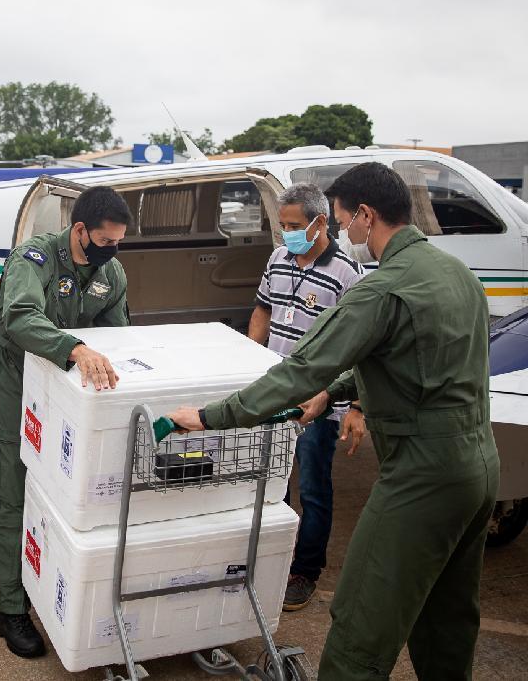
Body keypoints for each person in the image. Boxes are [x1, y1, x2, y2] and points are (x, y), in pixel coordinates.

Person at [166, 162, 498, 680]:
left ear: (366, 215)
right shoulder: (456, 274)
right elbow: (409, 363)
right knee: (447, 618)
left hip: (421, 475)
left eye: (344, 222)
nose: (346, 233)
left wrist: (214, 416)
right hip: (478, 470)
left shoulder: (379, 288)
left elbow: (303, 368)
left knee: (359, 627)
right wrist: (333, 394)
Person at [0, 186, 132, 658]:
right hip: (16, 383)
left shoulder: (112, 272)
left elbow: (120, 332)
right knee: (13, 492)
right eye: (105, 241)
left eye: (119, 243)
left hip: (67, 392)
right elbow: (20, 317)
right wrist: (75, 348)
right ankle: (9, 608)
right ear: (81, 230)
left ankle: (48, 583)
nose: (111, 251)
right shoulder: (33, 260)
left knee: (66, 489)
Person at [250, 183, 366, 611]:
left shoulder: (347, 274)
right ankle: (271, 561)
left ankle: (305, 571)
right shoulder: (278, 258)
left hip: (318, 404)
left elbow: (357, 345)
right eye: (282, 226)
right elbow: (263, 310)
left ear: (321, 222)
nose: (287, 235)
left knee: (313, 488)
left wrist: (346, 402)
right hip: (277, 393)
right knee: (271, 483)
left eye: (295, 226)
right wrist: (249, 364)